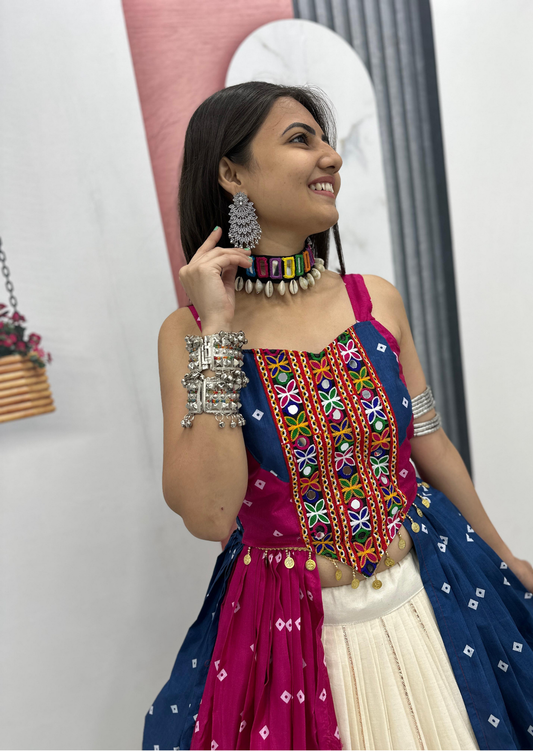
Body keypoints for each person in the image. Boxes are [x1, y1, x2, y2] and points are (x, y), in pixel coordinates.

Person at [142, 81, 533, 751]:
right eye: (301, 140)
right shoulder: (191, 334)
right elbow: (209, 513)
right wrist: (219, 329)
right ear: (232, 173)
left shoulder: (375, 300)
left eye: (326, 140)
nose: (331, 156)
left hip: (433, 592)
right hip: (292, 638)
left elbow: (430, 441)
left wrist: (501, 555)